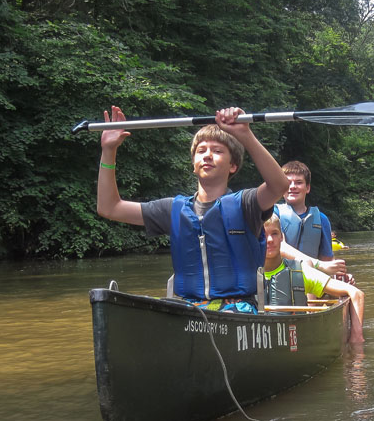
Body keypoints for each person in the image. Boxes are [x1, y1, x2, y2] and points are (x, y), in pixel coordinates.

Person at [96, 105, 288, 313]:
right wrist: (109, 150)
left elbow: (279, 185)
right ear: (193, 164)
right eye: (201, 151)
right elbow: (109, 207)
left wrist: (245, 134)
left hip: (238, 308)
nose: (207, 156)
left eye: (217, 151)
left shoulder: (246, 204)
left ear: (233, 165)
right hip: (188, 308)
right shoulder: (173, 209)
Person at [262, 214, 365, 343]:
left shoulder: (300, 272)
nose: (270, 239)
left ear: (282, 238)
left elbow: (356, 293)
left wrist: (356, 339)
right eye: (263, 234)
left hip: (295, 341)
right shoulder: (243, 276)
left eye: (275, 233)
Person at [276, 161, 354, 284]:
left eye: (299, 182)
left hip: (311, 282)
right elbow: (280, 246)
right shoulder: (273, 214)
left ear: (308, 188)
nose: (292, 186)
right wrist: (319, 265)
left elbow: (327, 261)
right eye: (288, 182)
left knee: (347, 286)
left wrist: (337, 275)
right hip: (279, 281)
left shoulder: (321, 219)